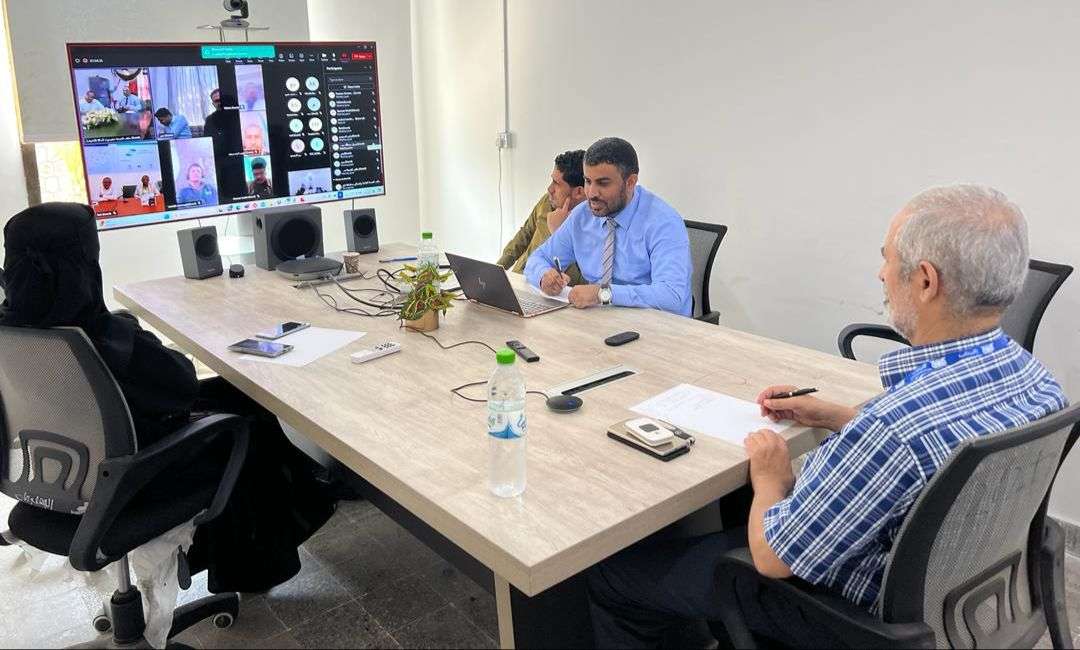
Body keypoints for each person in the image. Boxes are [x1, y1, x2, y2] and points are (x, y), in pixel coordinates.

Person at [585, 184, 1069, 648]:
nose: (881, 274)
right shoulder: (1037, 381)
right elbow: (935, 440)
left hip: (851, 613)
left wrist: (771, 479)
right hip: (960, 598)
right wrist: (836, 415)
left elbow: (773, 558)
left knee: (614, 575)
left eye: (887, 259)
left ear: (925, 281)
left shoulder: (892, 430)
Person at [0, 203, 337, 592]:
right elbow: (181, 385)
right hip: (131, 480)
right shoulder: (103, 339)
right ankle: (256, 561)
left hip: (59, 472)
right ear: (87, 262)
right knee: (246, 424)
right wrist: (137, 335)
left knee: (234, 393)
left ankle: (298, 501)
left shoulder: (16, 334)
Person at [524, 137, 692, 316]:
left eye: (603, 183)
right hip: (598, 319)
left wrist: (603, 294)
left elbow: (672, 296)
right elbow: (538, 258)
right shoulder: (582, 215)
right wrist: (544, 276)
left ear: (630, 182)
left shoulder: (663, 222)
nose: (591, 193)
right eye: (588, 181)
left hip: (656, 324)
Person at [497, 149, 586, 285]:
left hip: (551, 292)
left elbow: (583, 280)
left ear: (579, 192)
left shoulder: (592, 224)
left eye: (557, 184)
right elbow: (525, 234)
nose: (550, 189)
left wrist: (559, 232)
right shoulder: (547, 201)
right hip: (520, 279)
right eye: (552, 181)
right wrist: (498, 269)